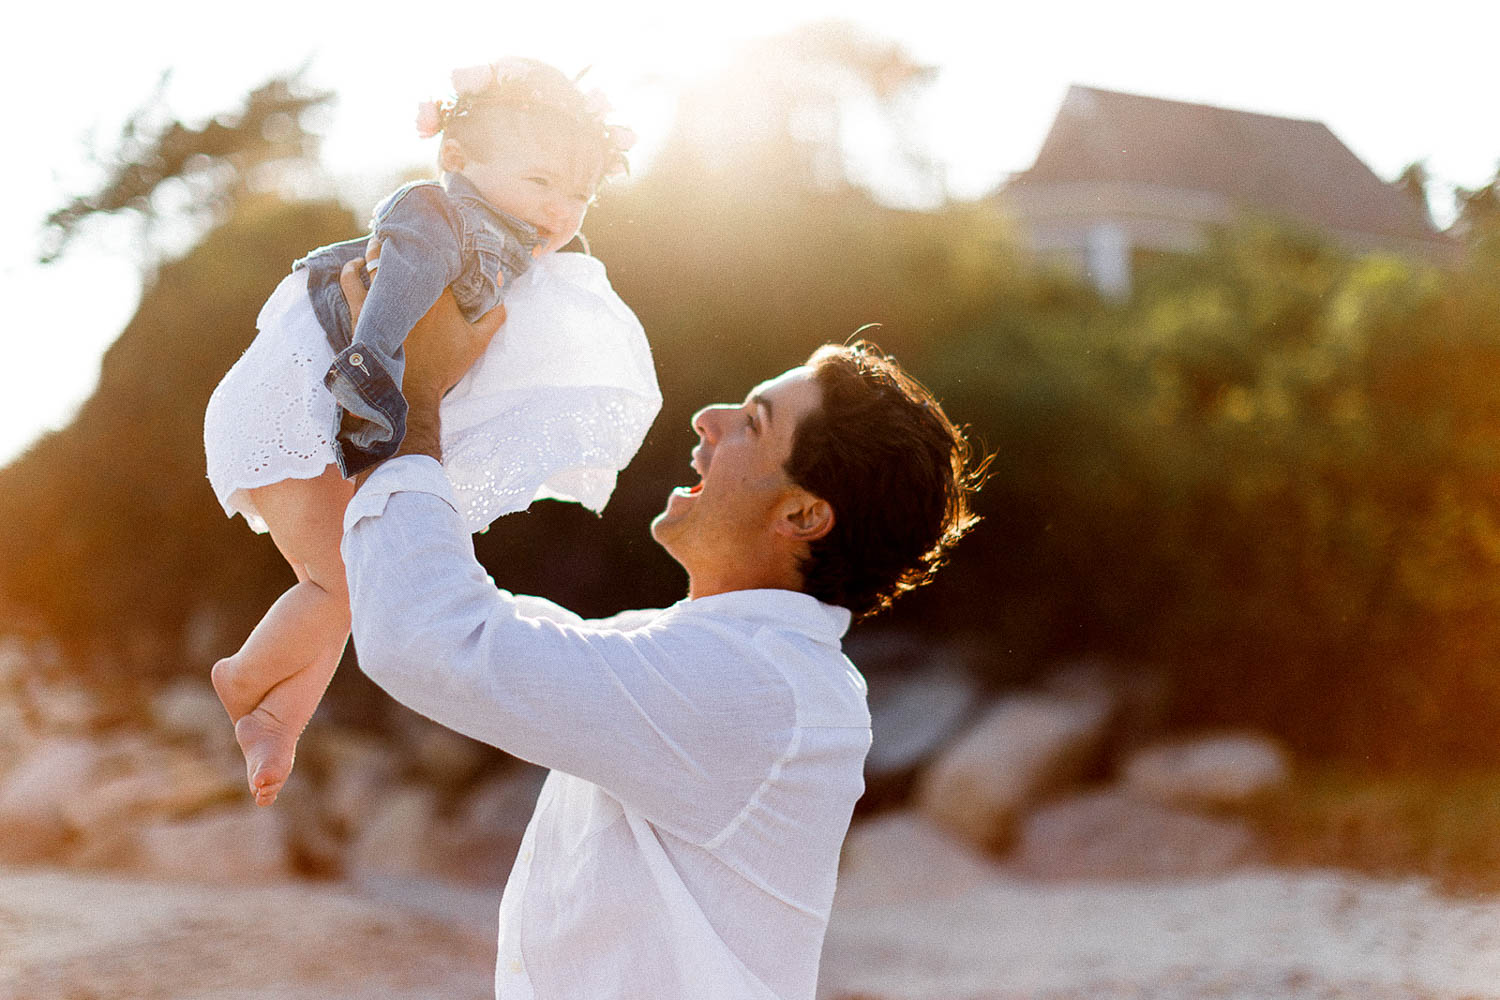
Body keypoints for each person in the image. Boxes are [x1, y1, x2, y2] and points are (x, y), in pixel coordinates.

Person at [335, 261, 985, 998]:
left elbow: (431, 639)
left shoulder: (752, 685)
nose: (709, 416)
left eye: (752, 422)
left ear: (802, 516)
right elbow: (461, 614)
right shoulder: (716, 659)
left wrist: (404, 388)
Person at [202, 58, 659, 807]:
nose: (562, 208)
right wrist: (375, 390)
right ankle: (247, 679)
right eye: (541, 181)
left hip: (328, 406)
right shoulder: (432, 215)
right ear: (456, 160)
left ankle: (276, 716)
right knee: (348, 581)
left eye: (581, 193)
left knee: (354, 577)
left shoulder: (514, 246)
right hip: (296, 400)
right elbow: (383, 318)